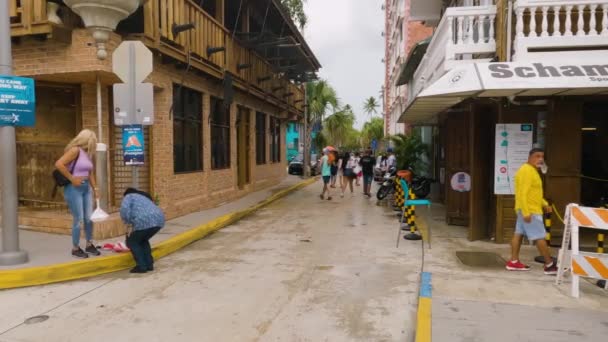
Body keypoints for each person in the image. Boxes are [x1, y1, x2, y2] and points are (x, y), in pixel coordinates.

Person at [506, 148, 557, 275]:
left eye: (542, 157)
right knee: (540, 236)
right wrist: (526, 212)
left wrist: (544, 204)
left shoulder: (532, 171)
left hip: (527, 208)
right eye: (537, 156)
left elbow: (534, 194)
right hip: (530, 210)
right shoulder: (527, 171)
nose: (540, 159)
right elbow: (523, 194)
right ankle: (549, 265)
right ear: (530, 157)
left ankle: (513, 262)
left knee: (518, 234)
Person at [54, 129, 101, 259]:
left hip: (86, 188)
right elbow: (59, 164)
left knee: (88, 218)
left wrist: (95, 188)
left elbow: (90, 172)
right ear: (87, 139)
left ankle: (89, 244)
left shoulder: (88, 153)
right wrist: (72, 178)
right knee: (78, 219)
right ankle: (75, 248)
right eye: (93, 140)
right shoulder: (75, 150)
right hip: (74, 188)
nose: (94, 142)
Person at [120, 188, 165, 273]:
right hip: (159, 220)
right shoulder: (143, 197)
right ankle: (149, 265)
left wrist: (127, 222)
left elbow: (124, 209)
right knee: (143, 240)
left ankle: (141, 266)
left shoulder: (128, 196)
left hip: (145, 221)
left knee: (132, 242)